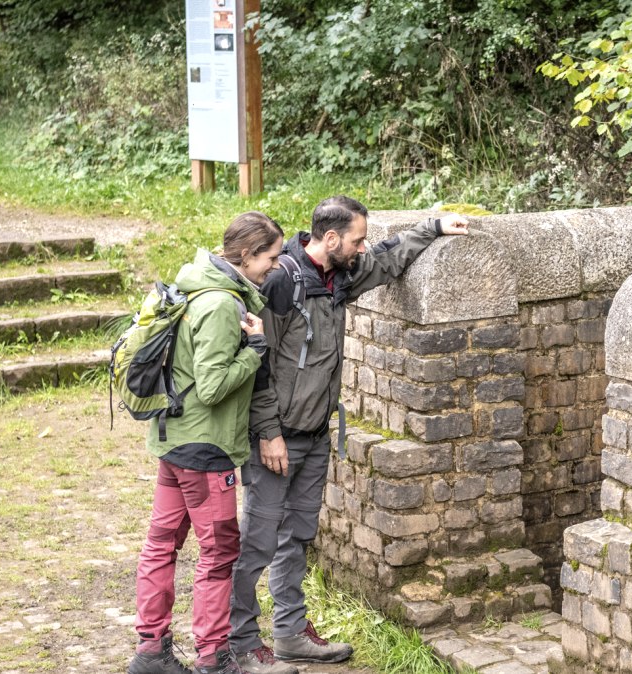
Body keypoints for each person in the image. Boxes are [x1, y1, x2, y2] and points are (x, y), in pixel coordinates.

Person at [229, 197, 468, 672]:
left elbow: (389, 256)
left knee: (296, 538)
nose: (362, 247)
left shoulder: (340, 275)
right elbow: (257, 364)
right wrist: (268, 433)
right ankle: (240, 642)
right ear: (331, 238)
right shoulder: (280, 281)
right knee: (257, 542)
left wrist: (436, 226)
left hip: (316, 434)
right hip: (276, 438)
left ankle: (291, 633)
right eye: (356, 239)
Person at [130, 212, 285, 674]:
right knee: (218, 553)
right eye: (271, 258)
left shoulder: (194, 283)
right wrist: (254, 351)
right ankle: (213, 656)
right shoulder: (220, 304)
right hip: (205, 448)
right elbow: (214, 386)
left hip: (172, 438)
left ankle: (150, 650)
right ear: (246, 255)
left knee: (161, 545)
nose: (275, 267)